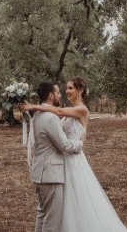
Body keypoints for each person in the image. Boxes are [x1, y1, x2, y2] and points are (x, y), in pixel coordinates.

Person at [21, 78, 127, 232]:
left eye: (70, 88)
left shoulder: (82, 110)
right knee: (56, 209)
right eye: (65, 89)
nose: (66, 91)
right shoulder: (66, 110)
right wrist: (36, 110)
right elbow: (53, 120)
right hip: (60, 162)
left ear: (80, 91)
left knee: (76, 203)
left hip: (73, 160)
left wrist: (34, 105)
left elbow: (57, 112)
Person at [26, 81, 85, 232]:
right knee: (52, 221)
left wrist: (34, 106)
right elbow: (64, 145)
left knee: (42, 214)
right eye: (59, 91)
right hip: (51, 174)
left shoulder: (38, 115)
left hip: (41, 171)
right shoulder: (50, 117)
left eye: (69, 88)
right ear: (51, 96)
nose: (62, 93)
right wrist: (79, 144)